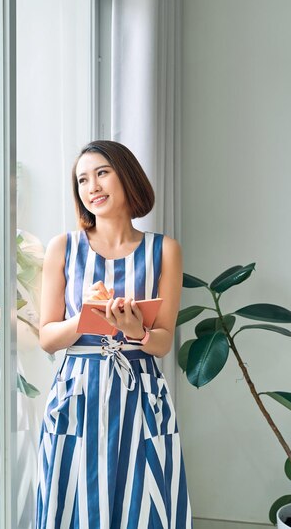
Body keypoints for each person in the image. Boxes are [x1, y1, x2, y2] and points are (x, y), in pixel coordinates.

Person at [36, 140, 192, 528]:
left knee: (145, 503)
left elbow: (163, 341)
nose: (92, 186)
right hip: (78, 392)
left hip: (140, 393)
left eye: (102, 172)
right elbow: (47, 337)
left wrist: (135, 329)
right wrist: (85, 319)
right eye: (82, 180)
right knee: (72, 500)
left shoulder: (165, 250)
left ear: (127, 175)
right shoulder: (63, 247)